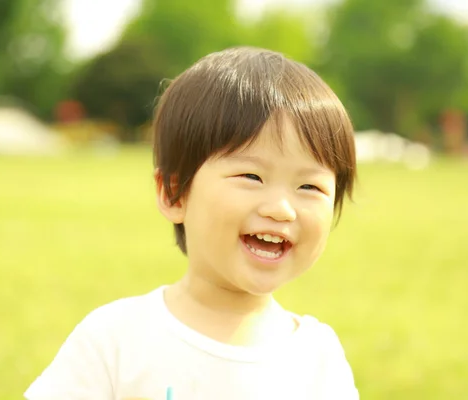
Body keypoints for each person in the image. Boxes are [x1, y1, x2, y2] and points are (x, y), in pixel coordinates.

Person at [25, 46, 359, 400]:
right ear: (175, 194)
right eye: (251, 176)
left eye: (309, 186)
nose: (281, 209)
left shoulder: (318, 359)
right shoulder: (116, 340)